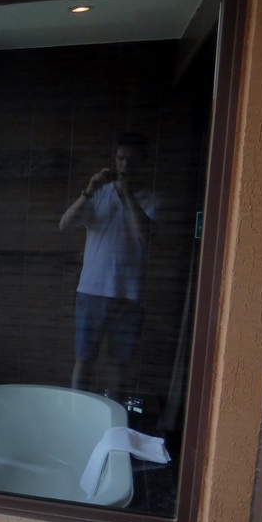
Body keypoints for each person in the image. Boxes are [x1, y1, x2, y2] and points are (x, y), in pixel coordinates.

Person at [59, 133, 156, 399]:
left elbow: (147, 237)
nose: (125, 165)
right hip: (91, 291)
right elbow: (65, 224)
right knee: (84, 358)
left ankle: (113, 418)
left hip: (129, 295)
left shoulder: (151, 198)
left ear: (143, 163)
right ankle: (76, 412)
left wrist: (127, 197)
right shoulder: (98, 195)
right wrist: (89, 190)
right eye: (121, 158)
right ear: (114, 160)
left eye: (132, 160)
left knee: (119, 362)